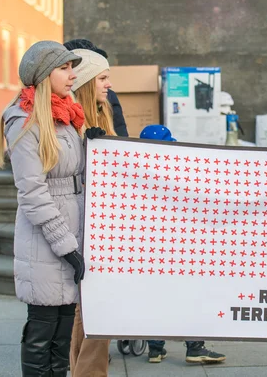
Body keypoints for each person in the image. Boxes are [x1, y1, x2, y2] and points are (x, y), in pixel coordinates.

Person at [0, 41, 86, 376]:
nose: (72, 74)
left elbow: (75, 173)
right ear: (44, 74)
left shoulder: (67, 116)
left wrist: (96, 144)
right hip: (46, 241)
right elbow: (32, 192)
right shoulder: (23, 120)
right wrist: (67, 248)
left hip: (71, 231)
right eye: (64, 68)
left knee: (63, 335)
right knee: (42, 330)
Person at [140, 124, 227, 365]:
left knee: (156, 295)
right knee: (190, 292)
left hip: (150, 249)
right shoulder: (180, 173)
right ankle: (194, 346)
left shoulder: (136, 174)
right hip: (181, 249)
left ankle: (155, 349)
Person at [68, 48, 114, 377]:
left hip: (104, 226)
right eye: (102, 77)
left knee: (91, 314)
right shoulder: (70, 122)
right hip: (85, 227)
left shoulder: (103, 112)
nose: (109, 83)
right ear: (86, 82)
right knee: (93, 313)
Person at [63, 39, 129, 137]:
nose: (109, 85)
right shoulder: (60, 111)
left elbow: (122, 143)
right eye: (102, 78)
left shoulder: (108, 102)